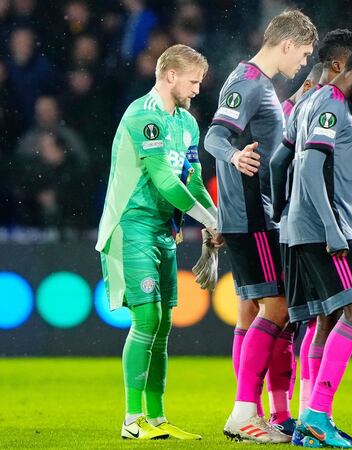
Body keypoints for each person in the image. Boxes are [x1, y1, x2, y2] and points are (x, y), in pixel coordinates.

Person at [202, 10, 317, 444]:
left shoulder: (257, 85)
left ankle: (258, 413)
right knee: (280, 309)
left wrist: (294, 102)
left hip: (248, 212)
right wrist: (232, 157)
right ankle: (245, 413)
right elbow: (214, 135)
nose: (303, 62)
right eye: (303, 54)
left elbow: (266, 134)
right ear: (287, 45)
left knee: (254, 312)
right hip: (252, 212)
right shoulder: (248, 83)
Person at [95, 44, 217, 441]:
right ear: (170, 76)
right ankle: (132, 420)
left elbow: (192, 180)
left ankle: (158, 418)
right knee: (146, 319)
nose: (198, 90)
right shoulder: (143, 116)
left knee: (164, 324)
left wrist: (214, 219)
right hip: (134, 226)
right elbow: (165, 181)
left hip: (165, 229)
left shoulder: (187, 123)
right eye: (193, 81)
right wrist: (210, 219)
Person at [287, 42, 352, 448]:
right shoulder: (332, 104)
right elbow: (311, 167)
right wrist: (336, 231)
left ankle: (313, 421)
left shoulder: (318, 102)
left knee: (327, 320)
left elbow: (324, 171)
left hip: (308, 224)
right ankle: (316, 416)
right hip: (321, 229)